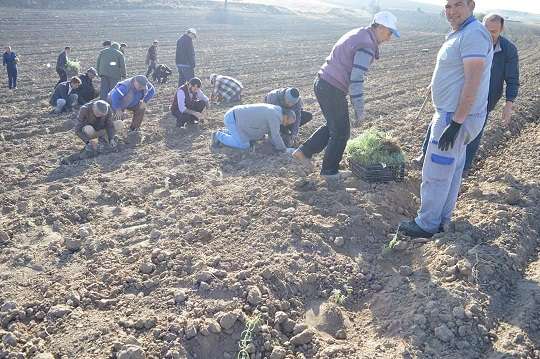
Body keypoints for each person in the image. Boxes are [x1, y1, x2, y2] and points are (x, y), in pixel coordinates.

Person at [397, 0, 494, 238]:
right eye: (448, 6)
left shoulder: (472, 34)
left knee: (436, 172)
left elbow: (473, 81)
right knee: (451, 170)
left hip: (455, 117)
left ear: (471, 5)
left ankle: (427, 224)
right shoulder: (461, 33)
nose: (451, 11)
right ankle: (441, 219)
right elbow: (456, 71)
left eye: (458, 4)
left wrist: (456, 122)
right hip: (456, 115)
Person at [291, 11, 399, 182]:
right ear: (380, 27)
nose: (389, 38)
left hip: (323, 82)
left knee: (334, 124)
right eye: (389, 32)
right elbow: (356, 79)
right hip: (332, 87)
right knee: (341, 132)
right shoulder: (367, 45)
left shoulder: (360, 33)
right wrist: (360, 111)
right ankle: (329, 172)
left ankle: (304, 152)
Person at [413, 13, 519, 176]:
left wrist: (508, 104)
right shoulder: (472, 39)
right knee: (439, 121)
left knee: (473, 130)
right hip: (459, 92)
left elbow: (512, 78)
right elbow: (450, 65)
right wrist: (435, 83)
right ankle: (425, 155)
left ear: (501, 30)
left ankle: (463, 167)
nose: (489, 35)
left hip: (486, 97)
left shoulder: (508, 49)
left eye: (494, 32)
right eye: (486, 30)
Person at [211, 104, 296, 152]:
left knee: (248, 140)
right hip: (233, 119)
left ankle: (225, 132)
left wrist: (277, 145)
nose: (285, 125)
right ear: (286, 116)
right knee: (244, 145)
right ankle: (217, 136)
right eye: (288, 122)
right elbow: (275, 135)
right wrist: (284, 149)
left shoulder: (276, 111)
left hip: (237, 118)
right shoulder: (275, 116)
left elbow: (271, 135)